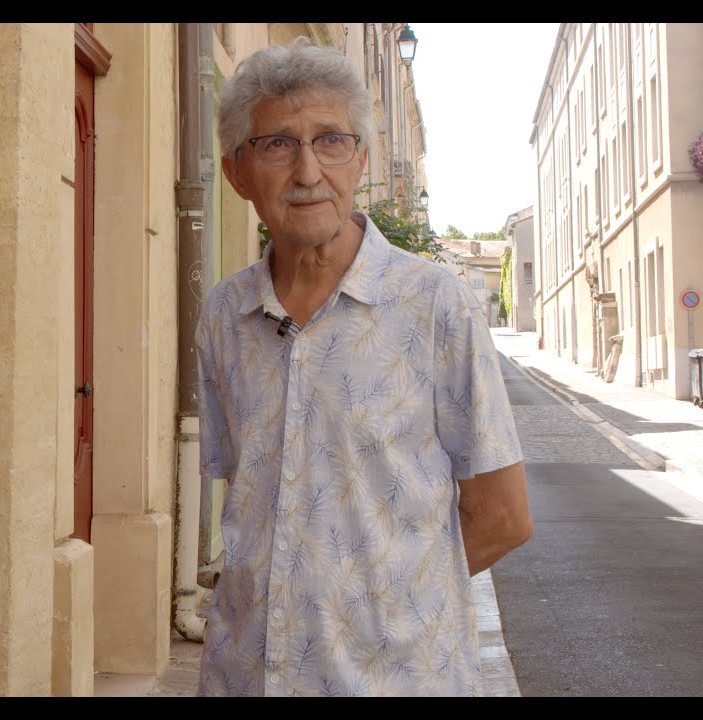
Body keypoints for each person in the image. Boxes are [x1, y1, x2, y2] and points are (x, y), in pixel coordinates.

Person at [195, 37, 534, 697]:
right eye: (277, 144)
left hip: (397, 680)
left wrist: (380, 603)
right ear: (237, 172)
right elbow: (254, 498)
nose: (307, 171)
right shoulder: (224, 315)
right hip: (245, 678)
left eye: (331, 140)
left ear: (362, 160)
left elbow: (504, 517)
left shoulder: (435, 306)